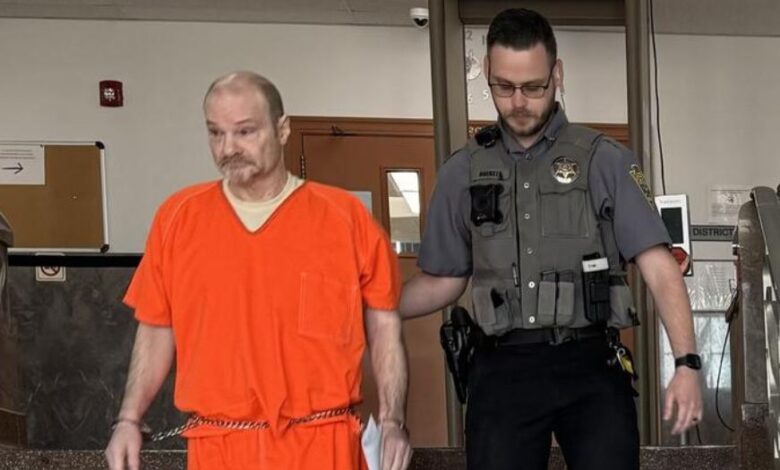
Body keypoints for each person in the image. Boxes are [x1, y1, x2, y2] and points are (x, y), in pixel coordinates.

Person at [400, 8, 703, 470]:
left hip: (590, 364)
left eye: (534, 87)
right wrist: (370, 305)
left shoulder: (605, 161)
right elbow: (446, 280)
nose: (519, 102)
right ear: (488, 73)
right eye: (504, 87)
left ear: (557, 75)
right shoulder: (462, 172)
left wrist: (687, 363)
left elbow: (659, 267)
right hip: (502, 369)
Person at [105, 71, 412, 470]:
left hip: (323, 443)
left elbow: (384, 325)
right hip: (218, 447)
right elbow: (156, 328)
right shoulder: (178, 218)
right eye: (215, 133)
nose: (228, 148)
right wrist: (129, 419)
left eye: (245, 131)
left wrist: (392, 421)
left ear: (282, 130)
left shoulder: (344, 219)